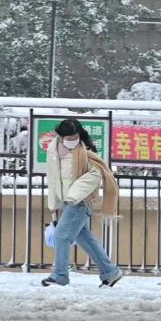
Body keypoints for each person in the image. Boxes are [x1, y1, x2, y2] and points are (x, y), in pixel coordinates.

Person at [41, 119, 123, 287]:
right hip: (67, 201)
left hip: (81, 201)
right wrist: (55, 204)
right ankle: (110, 272)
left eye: (75, 137)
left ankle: (60, 275)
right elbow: (54, 179)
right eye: (68, 137)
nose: (72, 141)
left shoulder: (86, 152)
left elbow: (95, 175)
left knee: (61, 236)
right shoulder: (53, 150)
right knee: (85, 238)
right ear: (61, 136)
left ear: (80, 135)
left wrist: (74, 196)